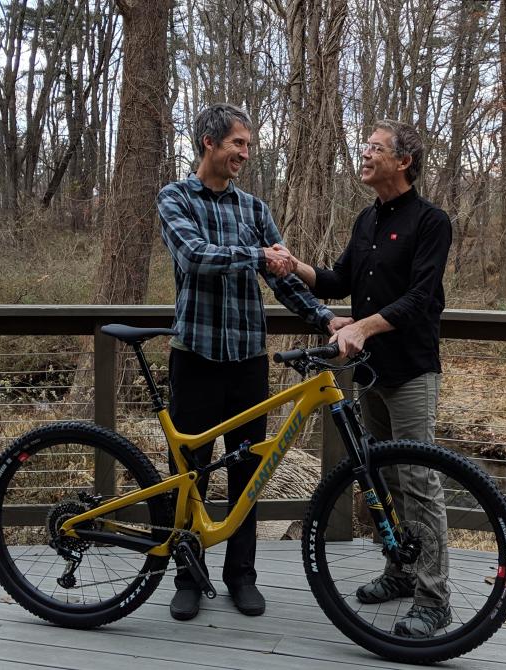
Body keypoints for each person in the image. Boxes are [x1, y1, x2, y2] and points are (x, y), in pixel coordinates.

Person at [156, 103, 344, 622]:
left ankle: (242, 577)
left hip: (246, 364)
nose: (245, 153)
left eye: (249, 145)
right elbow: (194, 257)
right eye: (238, 143)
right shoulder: (175, 197)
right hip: (194, 357)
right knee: (188, 475)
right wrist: (257, 255)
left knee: (248, 470)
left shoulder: (254, 209)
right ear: (208, 143)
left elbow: (282, 279)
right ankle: (189, 578)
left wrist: (324, 318)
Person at [285, 119, 453, 638]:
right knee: (382, 477)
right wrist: (295, 266)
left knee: (419, 482)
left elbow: (420, 299)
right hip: (370, 372)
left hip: (411, 370)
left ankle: (434, 598)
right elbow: (339, 279)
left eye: (375, 148)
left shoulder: (431, 221)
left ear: (402, 162)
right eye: (366, 147)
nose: (364, 154)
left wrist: (363, 326)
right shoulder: (366, 220)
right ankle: (399, 571)